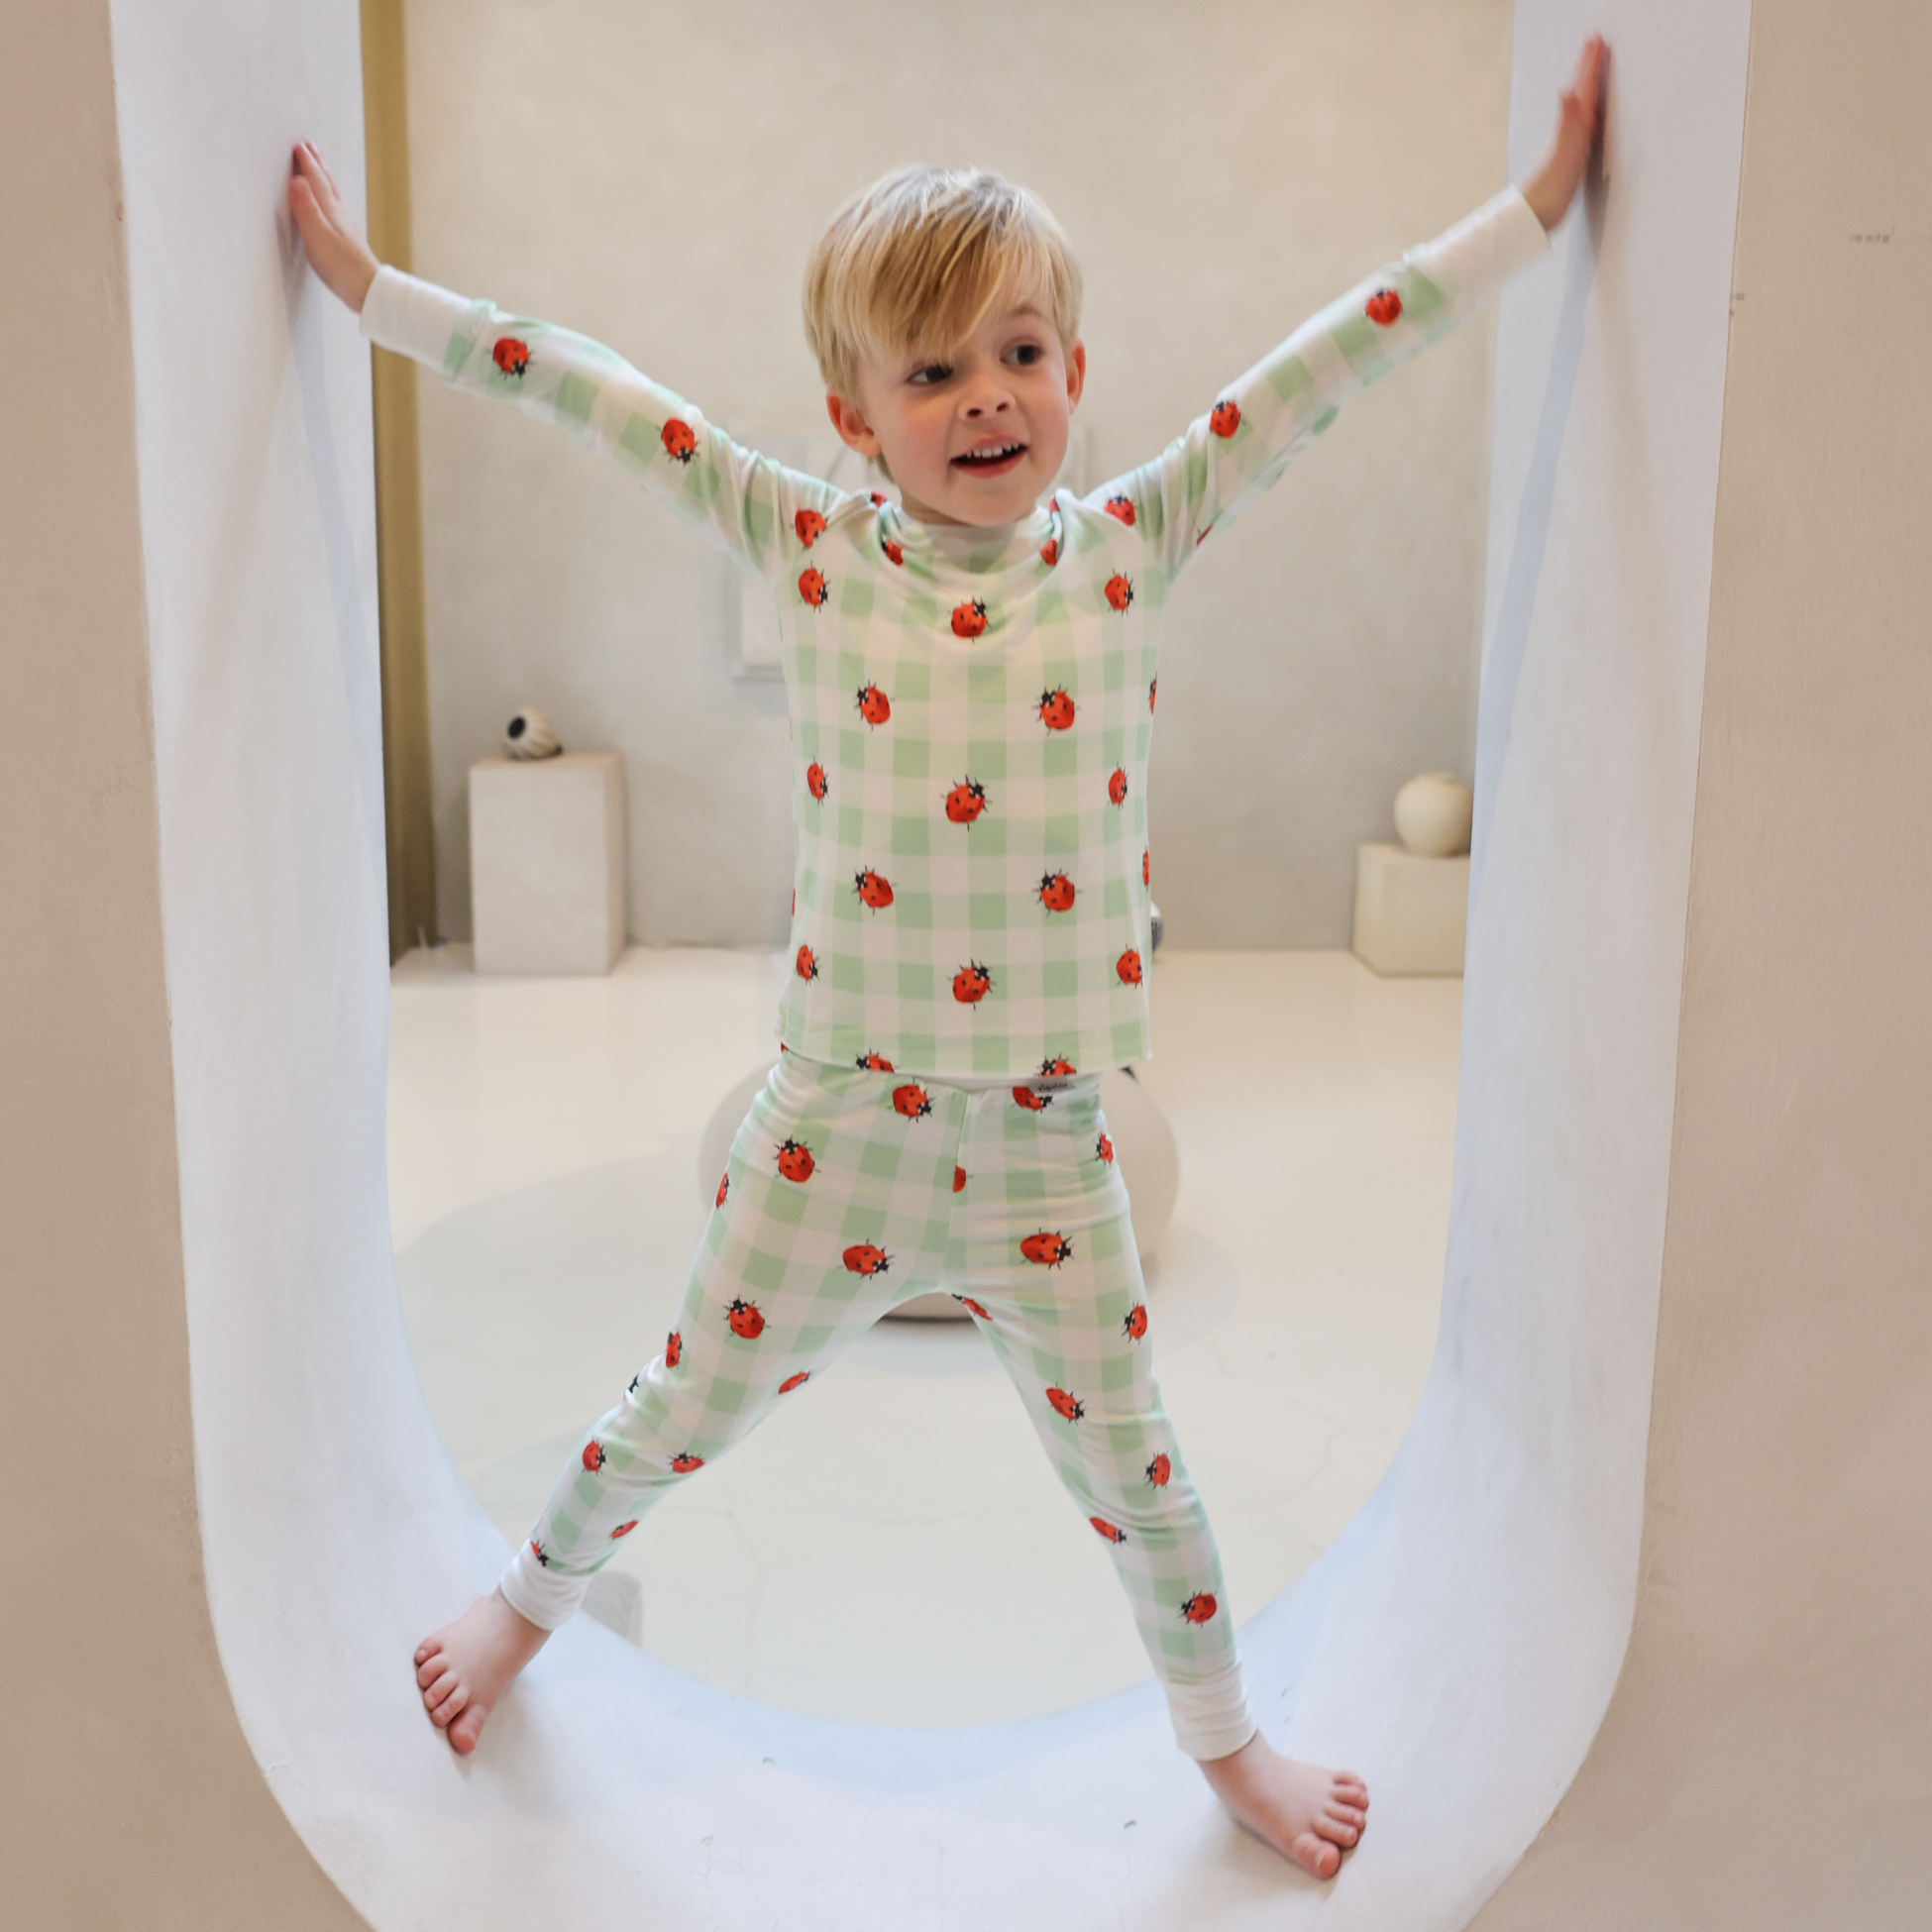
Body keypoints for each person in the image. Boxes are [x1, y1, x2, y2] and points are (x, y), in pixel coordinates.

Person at [290, 33, 1603, 1880]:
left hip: (1055, 1144)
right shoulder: (808, 545)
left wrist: (1526, 219)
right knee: (673, 1405)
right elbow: (586, 390)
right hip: (835, 1126)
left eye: (1019, 353)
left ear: (1077, 371)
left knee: (1145, 1483)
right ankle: (524, 1604)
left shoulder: (1135, 541)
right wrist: (374, 295)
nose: (985, 397)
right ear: (852, 411)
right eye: (930, 371)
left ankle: (1226, 1744)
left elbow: (1334, 359)